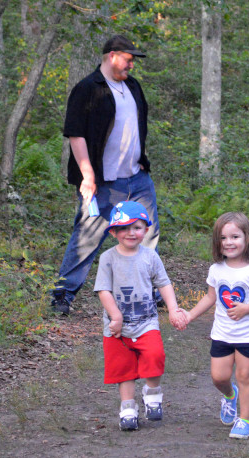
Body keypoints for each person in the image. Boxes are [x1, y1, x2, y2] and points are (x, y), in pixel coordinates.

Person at [52, 35, 157, 315]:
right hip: (102, 183)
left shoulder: (133, 87)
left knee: (146, 233)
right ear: (112, 56)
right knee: (88, 236)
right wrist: (88, 176)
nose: (131, 66)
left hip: (137, 177)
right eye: (128, 59)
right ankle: (62, 294)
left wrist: (141, 160)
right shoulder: (87, 89)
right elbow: (75, 134)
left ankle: (150, 290)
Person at [181, 212, 249, 439]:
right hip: (222, 333)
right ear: (217, 242)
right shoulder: (217, 269)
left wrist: (246, 308)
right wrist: (190, 315)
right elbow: (210, 297)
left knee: (245, 376)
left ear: (247, 238)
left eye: (235, 236)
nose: (229, 242)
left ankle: (244, 420)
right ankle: (230, 396)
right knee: (219, 377)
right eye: (223, 238)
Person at [94, 201, 186, 431]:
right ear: (114, 232)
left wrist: (173, 308)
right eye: (123, 228)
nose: (130, 233)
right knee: (123, 368)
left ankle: (152, 393)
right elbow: (103, 290)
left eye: (136, 227)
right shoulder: (108, 258)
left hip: (146, 322)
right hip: (117, 327)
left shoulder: (150, 256)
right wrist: (115, 316)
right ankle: (127, 407)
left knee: (154, 355)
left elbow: (163, 283)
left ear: (146, 230)